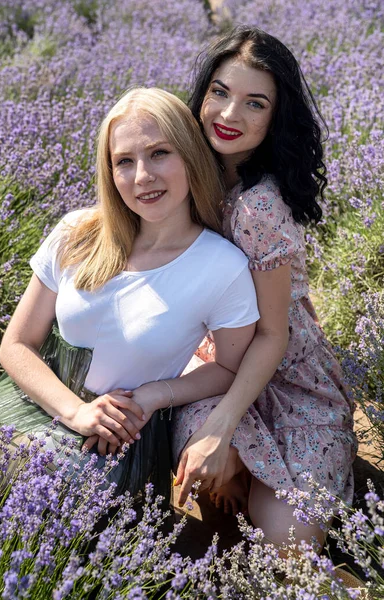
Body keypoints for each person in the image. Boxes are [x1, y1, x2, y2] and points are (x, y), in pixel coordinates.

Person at [0, 87, 260, 502]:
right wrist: (75, 411)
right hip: (32, 404)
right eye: (124, 162)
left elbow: (228, 367)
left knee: (25, 494)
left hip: (114, 442)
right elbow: (17, 344)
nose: (142, 176)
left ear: (191, 155)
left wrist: (154, 395)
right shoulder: (77, 233)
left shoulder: (222, 266)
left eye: (160, 153)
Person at [169, 26, 358, 549]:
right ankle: (238, 479)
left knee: (288, 540)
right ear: (203, 94)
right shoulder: (194, 177)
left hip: (290, 380)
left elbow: (274, 336)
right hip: (217, 360)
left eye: (255, 103)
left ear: (275, 118)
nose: (230, 116)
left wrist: (223, 428)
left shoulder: (258, 209)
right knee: (206, 474)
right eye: (221, 93)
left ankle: (249, 477)